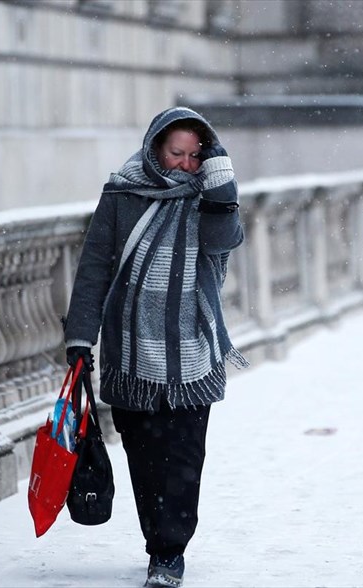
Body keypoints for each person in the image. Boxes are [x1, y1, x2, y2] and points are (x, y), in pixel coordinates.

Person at [63, 106, 247, 588]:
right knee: (144, 457)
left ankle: (170, 553)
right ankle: (156, 540)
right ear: (155, 149)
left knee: (185, 458)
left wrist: (219, 183)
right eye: (177, 153)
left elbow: (224, 240)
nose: (185, 164)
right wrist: (81, 339)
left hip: (192, 353)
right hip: (130, 354)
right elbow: (95, 268)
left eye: (194, 155)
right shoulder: (122, 194)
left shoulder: (209, 196)